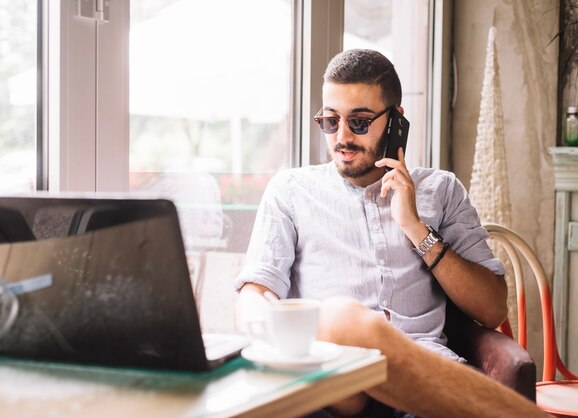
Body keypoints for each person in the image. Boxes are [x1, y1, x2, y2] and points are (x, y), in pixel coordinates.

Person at [234, 49, 548, 418]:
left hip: (422, 381)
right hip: (334, 386)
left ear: (396, 121)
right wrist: (274, 326)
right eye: (331, 122)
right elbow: (254, 294)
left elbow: (492, 309)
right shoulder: (290, 190)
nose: (343, 137)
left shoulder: (441, 190)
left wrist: (415, 228)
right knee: (338, 321)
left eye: (361, 122)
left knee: (343, 319)